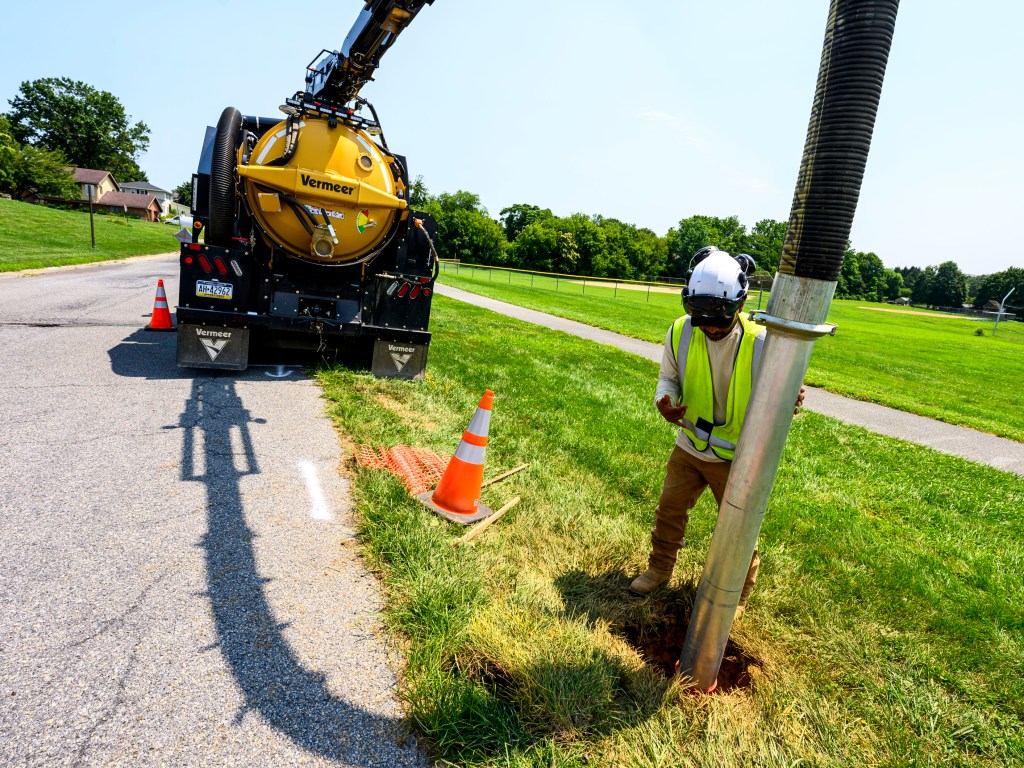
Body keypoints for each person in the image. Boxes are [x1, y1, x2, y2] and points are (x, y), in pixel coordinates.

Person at [629, 247, 804, 610]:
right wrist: (664, 400)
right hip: (689, 447)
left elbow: (782, 400)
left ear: (739, 306)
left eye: (717, 319)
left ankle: (736, 596)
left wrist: (790, 398)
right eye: (699, 316)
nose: (708, 325)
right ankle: (659, 569)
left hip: (737, 458)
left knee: (739, 530)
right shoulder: (680, 331)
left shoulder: (761, 343)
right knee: (669, 510)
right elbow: (668, 378)